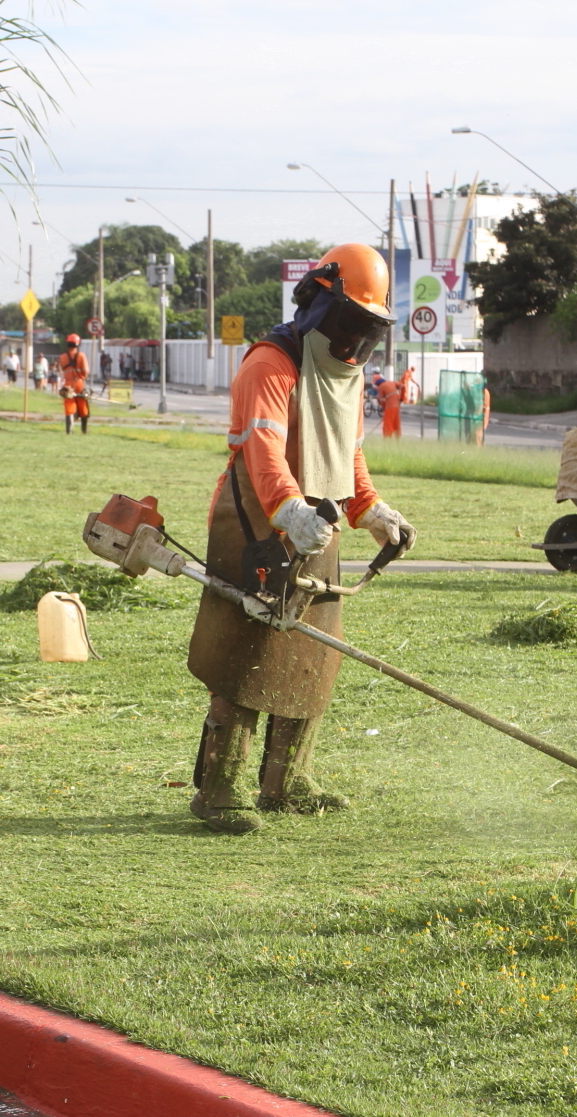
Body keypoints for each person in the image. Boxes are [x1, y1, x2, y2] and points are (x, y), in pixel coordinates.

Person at [184, 243, 417, 834]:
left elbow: (349, 454)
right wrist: (288, 510)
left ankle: (288, 782)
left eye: (369, 329)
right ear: (317, 303)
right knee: (246, 653)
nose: (356, 342)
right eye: (351, 323)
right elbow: (261, 450)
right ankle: (222, 791)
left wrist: (372, 510)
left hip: (320, 523)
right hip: (256, 522)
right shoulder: (271, 363)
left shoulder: (346, 375)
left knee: (313, 652)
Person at [57, 332, 91, 434]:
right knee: (82, 406)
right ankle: (84, 430)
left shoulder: (62, 357)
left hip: (67, 385)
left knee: (69, 406)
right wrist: (82, 378)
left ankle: (69, 431)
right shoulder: (81, 356)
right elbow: (85, 371)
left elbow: (61, 370)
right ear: (77, 344)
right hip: (79, 383)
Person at [377, 371, 404, 438]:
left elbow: (381, 400)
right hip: (396, 406)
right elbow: (402, 386)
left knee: (388, 424)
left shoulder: (380, 387)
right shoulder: (392, 383)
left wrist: (383, 409)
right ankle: (397, 439)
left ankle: (387, 439)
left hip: (389, 407)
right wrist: (401, 398)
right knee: (396, 423)